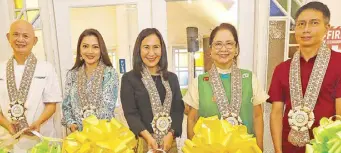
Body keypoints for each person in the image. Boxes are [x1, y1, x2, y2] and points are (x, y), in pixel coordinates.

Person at [268, 2, 341, 153]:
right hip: (289, 147)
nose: (306, 29)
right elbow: (276, 113)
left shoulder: (338, 63)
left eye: (314, 23)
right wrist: (277, 150)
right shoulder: (282, 69)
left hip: (326, 148)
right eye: (301, 24)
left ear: (326, 28)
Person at [184, 23, 268, 150]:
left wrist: (259, 148)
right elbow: (191, 120)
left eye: (229, 44)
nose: (224, 49)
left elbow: (257, 116)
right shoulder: (199, 82)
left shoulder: (250, 78)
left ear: (236, 49)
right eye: (218, 44)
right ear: (210, 49)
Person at [0, 20, 62, 152]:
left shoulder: (46, 68)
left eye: (26, 36)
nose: (20, 39)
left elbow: (52, 105)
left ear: (34, 41)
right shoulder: (1, 69)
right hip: (9, 142)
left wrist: (38, 122)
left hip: (40, 139)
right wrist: (7, 125)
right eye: (15, 34)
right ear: (8, 37)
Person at [121, 28, 184, 153]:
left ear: (162, 49)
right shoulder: (129, 78)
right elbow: (131, 113)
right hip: (144, 143)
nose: (151, 53)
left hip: (169, 143)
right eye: (146, 47)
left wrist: (171, 135)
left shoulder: (172, 78)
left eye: (156, 47)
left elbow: (178, 110)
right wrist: (148, 137)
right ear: (139, 50)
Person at [62, 29, 119, 132]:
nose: (90, 51)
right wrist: (71, 123)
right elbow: (66, 106)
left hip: (104, 136)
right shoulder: (72, 75)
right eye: (85, 46)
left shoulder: (110, 73)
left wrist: (89, 129)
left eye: (95, 47)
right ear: (79, 49)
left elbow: (107, 107)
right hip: (78, 137)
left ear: (101, 50)